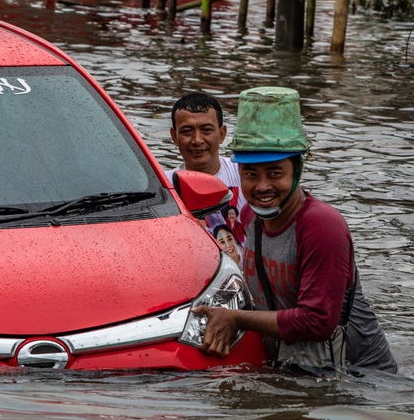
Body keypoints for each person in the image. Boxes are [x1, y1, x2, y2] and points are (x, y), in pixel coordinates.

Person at [192, 86, 396, 374]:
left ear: (297, 170)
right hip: (295, 366)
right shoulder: (250, 216)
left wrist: (235, 319)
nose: (262, 187)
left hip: (357, 377)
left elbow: (316, 321)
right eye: (250, 175)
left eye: (275, 173)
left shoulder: (321, 225)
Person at [166, 92, 247, 224]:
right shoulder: (165, 186)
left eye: (206, 130)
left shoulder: (243, 173)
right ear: (174, 136)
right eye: (187, 131)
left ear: (222, 134)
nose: (197, 140)